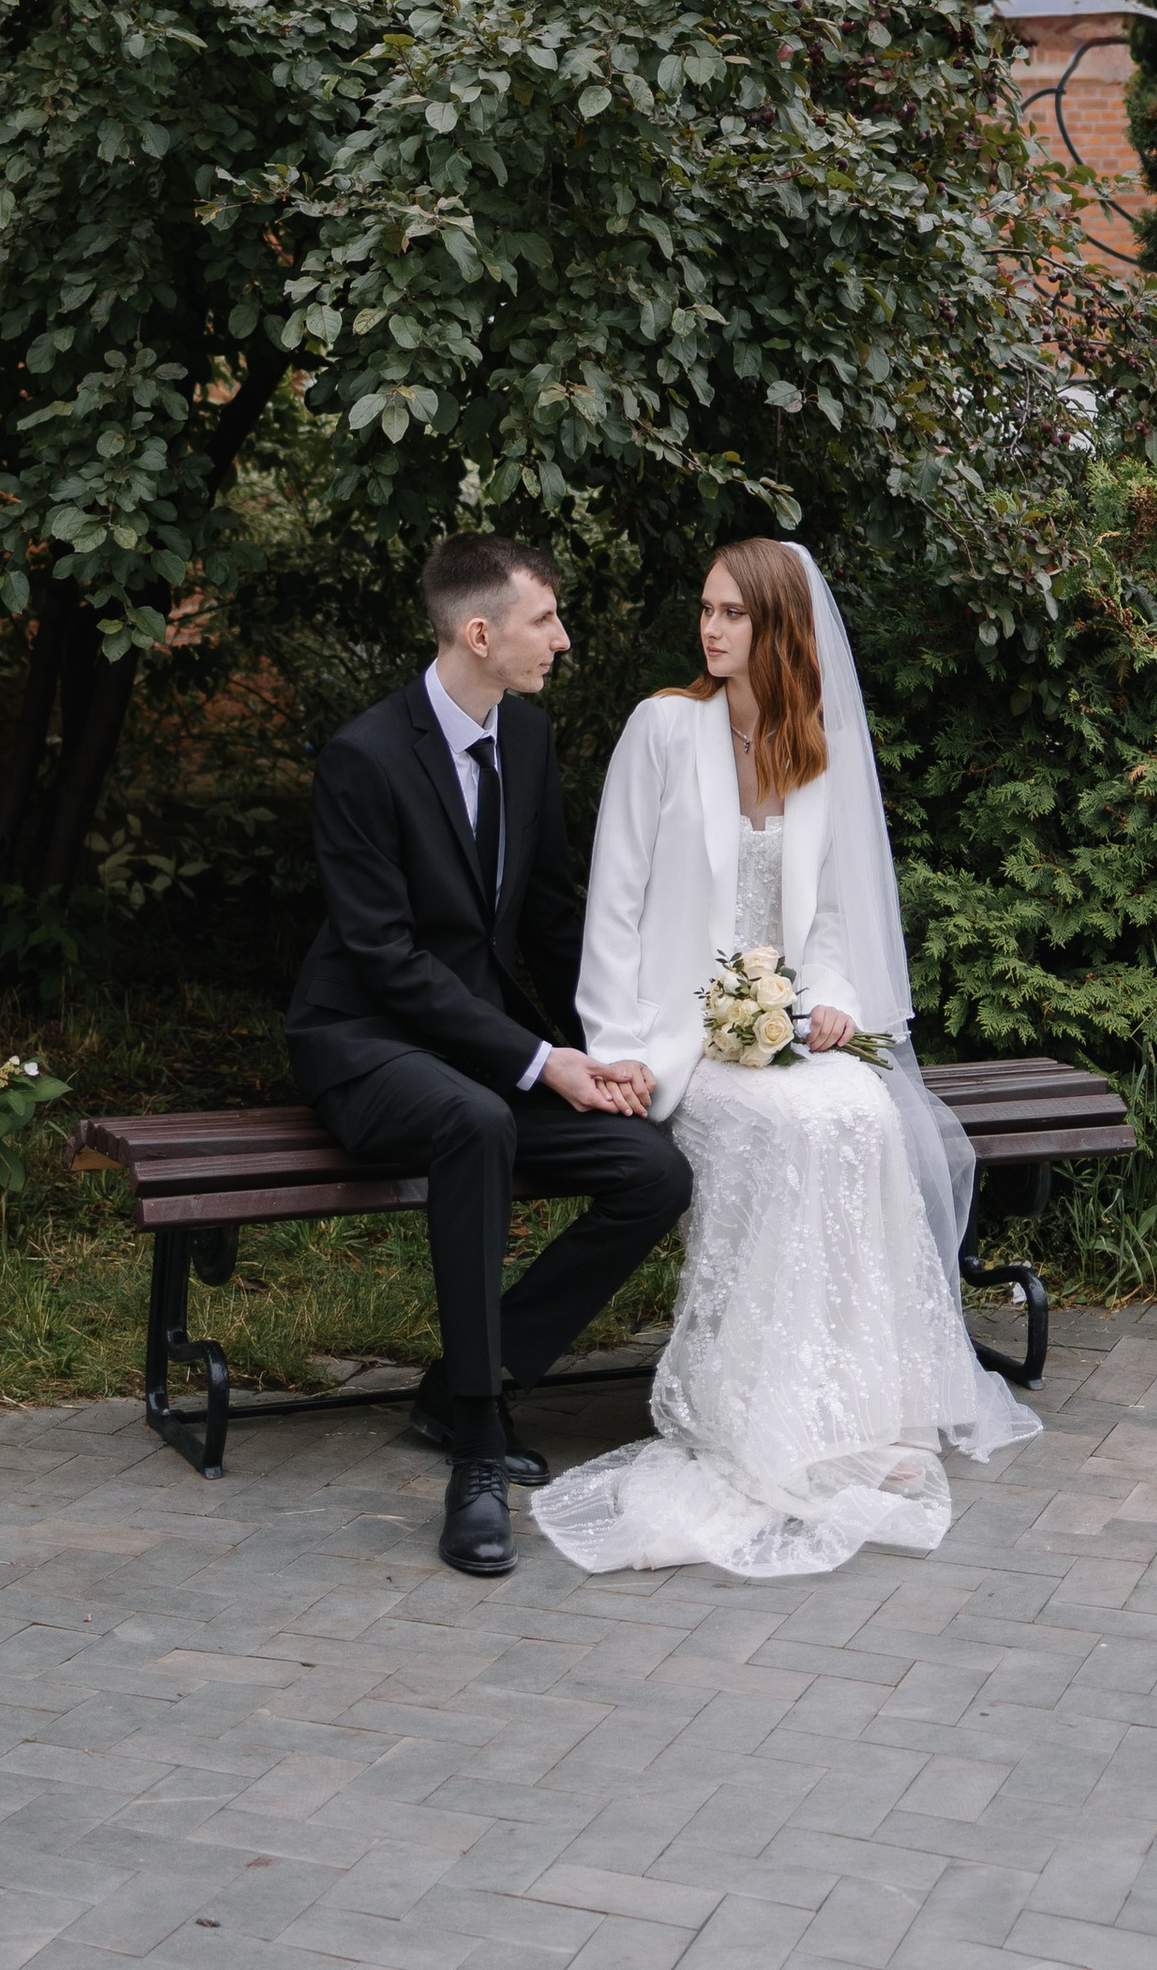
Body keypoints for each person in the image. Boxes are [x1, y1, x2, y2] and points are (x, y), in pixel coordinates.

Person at [528, 535, 1037, 1580]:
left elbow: (842, 918)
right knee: (796, 1124)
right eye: (705, 610)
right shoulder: (664, 731)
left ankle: (862, 1406)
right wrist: (621, 1053)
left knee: (859, 1111)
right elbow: (613, 909)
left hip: (785, 1032)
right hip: (682, 1042)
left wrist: (837, 1006)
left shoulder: (820, 750)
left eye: (732, 614)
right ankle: (751, 1403)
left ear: (780, 629)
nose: (709, 629)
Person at [285, 532, 692, 1579]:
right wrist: (536, 1060)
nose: (562, 638)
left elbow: (552, 922)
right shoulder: (365, 756)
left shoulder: (532, 737)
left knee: (651, 1170)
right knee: (478, 1120)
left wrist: (605, 1052)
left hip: (485, 1053)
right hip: (366, 1043)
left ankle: (463, 1377)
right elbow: (384, 958)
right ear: (480, 632)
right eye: (544, 620)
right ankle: (476, 1439)